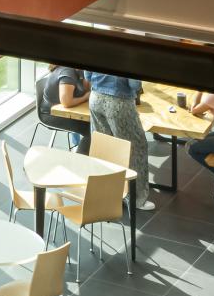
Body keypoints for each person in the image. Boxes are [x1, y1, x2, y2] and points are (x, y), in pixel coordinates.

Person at [85, 70, 158, 206]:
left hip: (95, 98)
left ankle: (107, 195)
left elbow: (87, 76)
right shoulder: (129, 55)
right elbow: (134, 84)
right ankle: (136, 199)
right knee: (135, 148)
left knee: (105, 149)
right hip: (119, 102)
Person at [36, 63, 90, 152]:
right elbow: (66, 102)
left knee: (95, 126)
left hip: (63, 111)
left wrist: (87, 74)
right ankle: (80, 158)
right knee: (93, 130)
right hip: (50, 114)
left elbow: (86, 88)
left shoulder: (77, 71)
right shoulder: (67, 72)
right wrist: (85, 97)